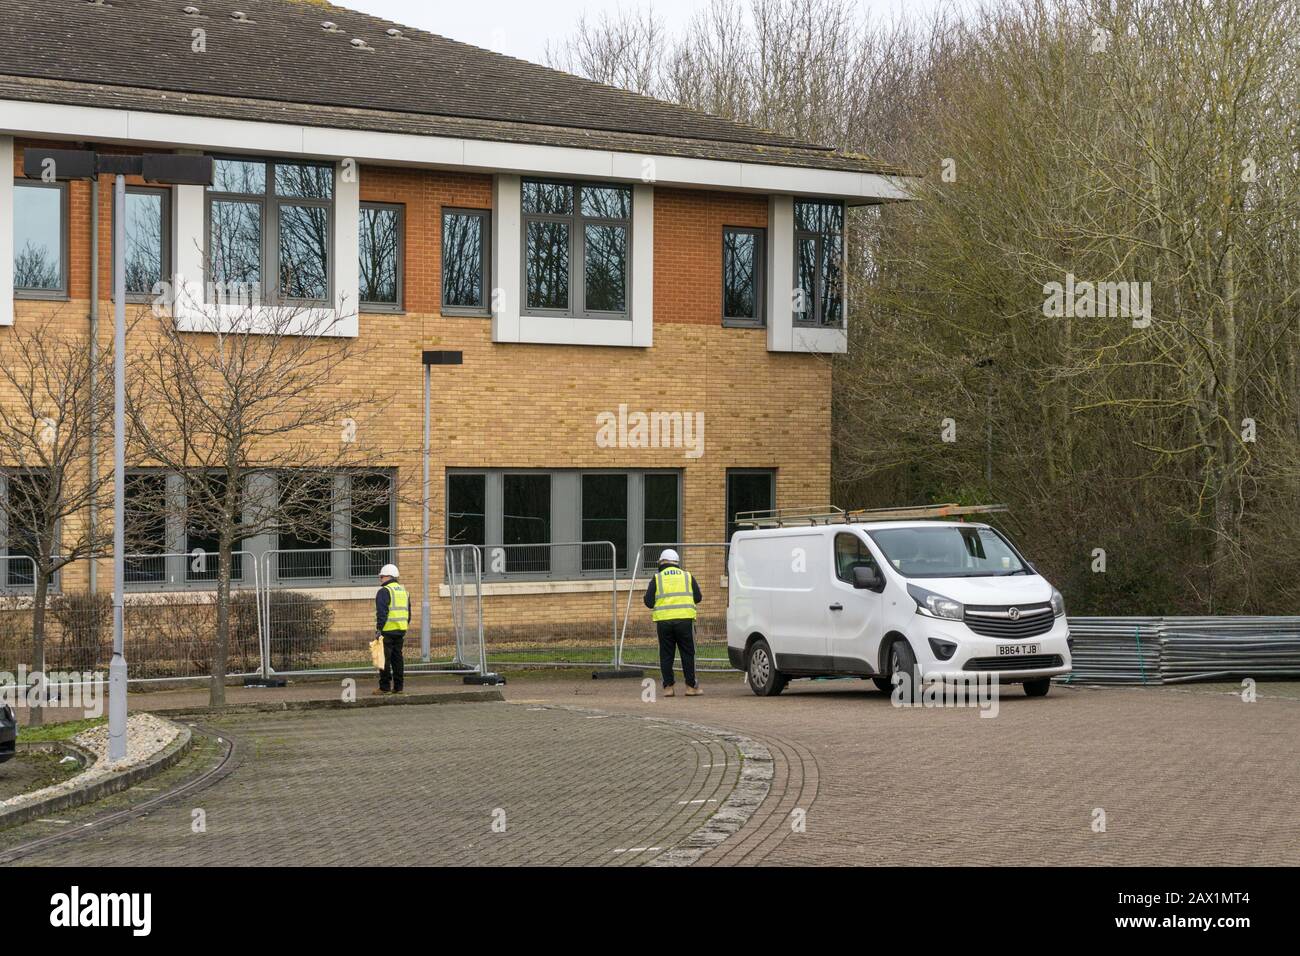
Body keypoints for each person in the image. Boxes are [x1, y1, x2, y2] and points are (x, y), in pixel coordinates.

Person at [644, 548, 703, 697]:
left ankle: (668, 688)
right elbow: (698, 597)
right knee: (688, 654)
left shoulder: (657, 578)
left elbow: (649, 602)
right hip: (684, 621)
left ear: (661, 562)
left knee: (666, 655)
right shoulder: (687, 576)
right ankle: (691, 687)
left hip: (664, 622)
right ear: (676, 562)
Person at [374, 563, 409, 695]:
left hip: (387, 631)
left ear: (389, 576)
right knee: (397, 659)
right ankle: (399, 687)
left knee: (384, 660)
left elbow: (382, 613)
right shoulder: (404, 592)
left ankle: (384, 687)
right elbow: (408, 613)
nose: (380, 579)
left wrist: (379, 630)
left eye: (382, 576)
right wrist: (404, 626)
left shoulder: (384, 591)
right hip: (400, 631)